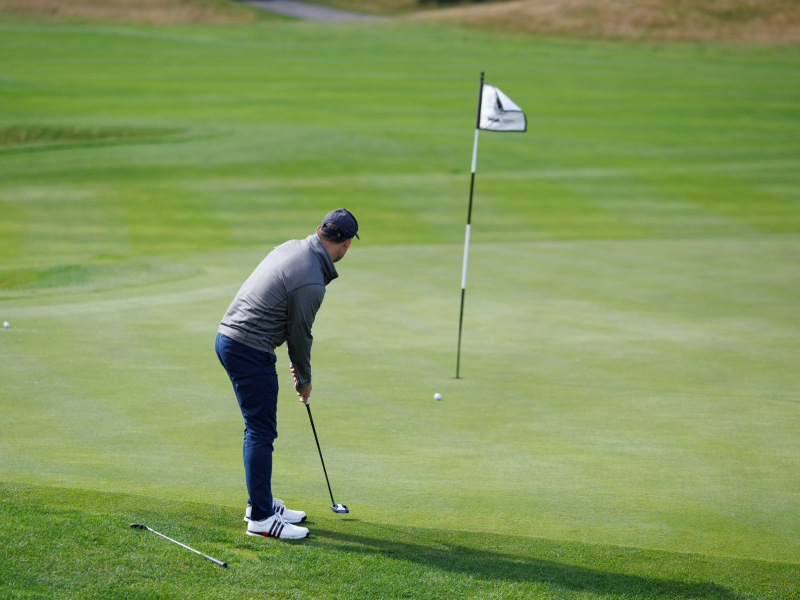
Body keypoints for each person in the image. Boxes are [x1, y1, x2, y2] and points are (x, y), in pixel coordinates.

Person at [215, 208, 359, 539]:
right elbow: (300, 335)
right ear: (347, 244)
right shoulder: (311, 279)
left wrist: (293, 358)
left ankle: (259, 503)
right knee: (261, 432)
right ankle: (262, 520)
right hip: (248, 349)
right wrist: (304, 381)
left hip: (234, 339)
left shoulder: (292, 247)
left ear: (318, 229)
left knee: (259, 429)